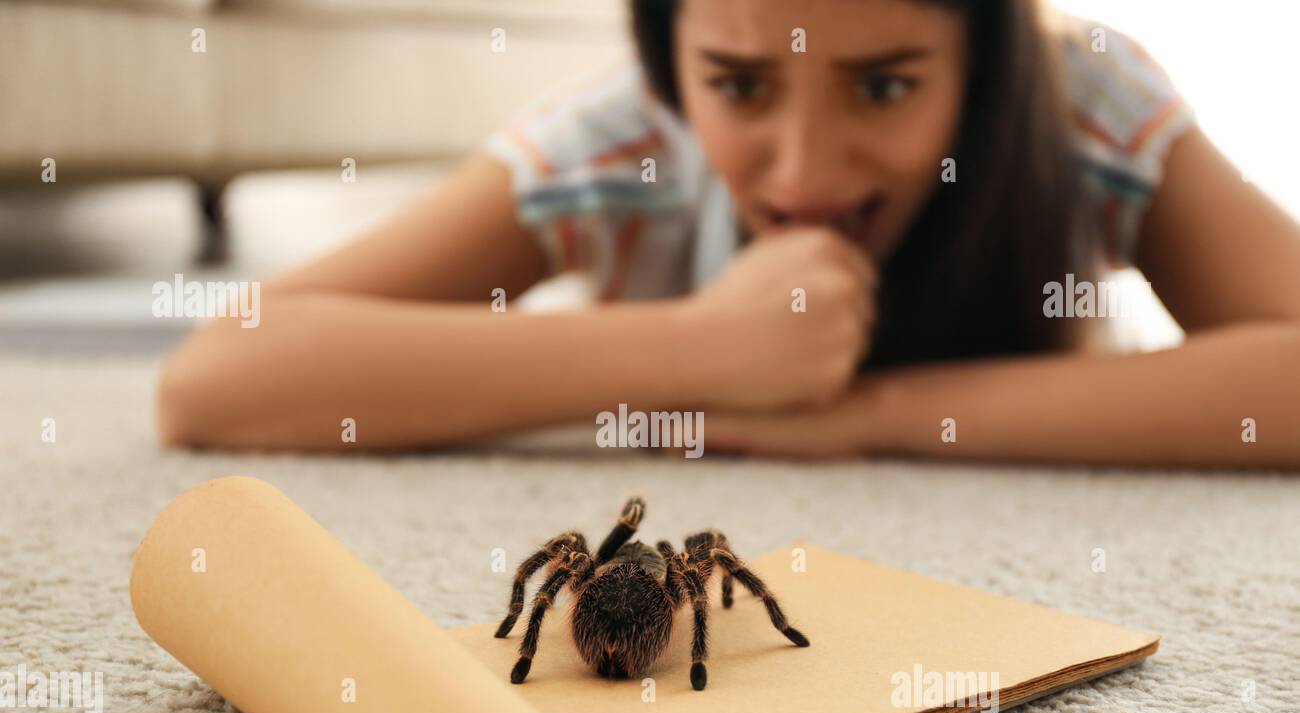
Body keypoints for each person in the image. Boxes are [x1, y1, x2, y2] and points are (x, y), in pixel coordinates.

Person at [157, 0, 1300, 467]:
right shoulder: (620, 140)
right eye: (740, 88)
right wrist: (699, 349)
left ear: (984, 62)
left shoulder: (1080, 99)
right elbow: (216, 378)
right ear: (669, 64)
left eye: (886, 86)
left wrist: (864, 414)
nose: (804, 174)